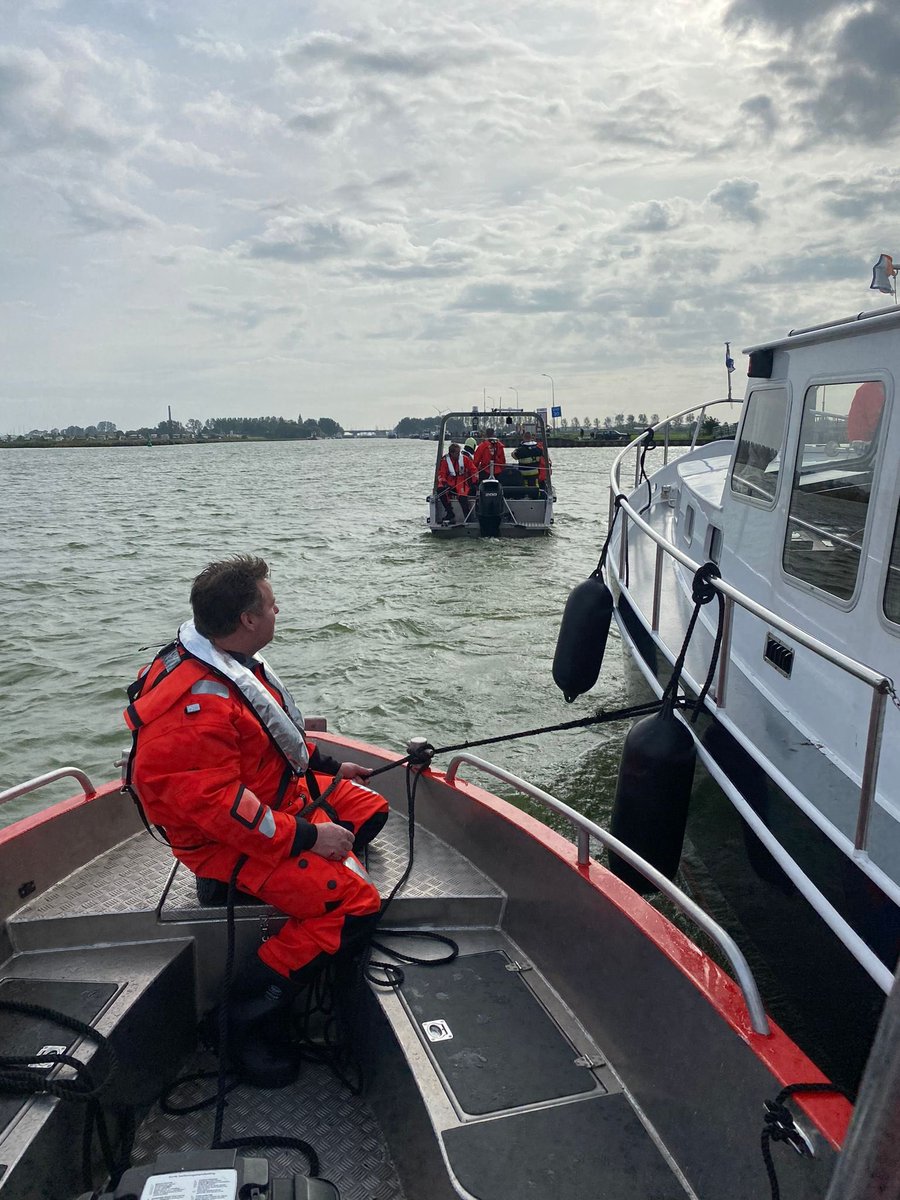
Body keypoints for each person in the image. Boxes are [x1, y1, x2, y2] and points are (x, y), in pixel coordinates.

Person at [124, 555, 388, 1085]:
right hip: (221, 838)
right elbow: (221, 812)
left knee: (371, 809)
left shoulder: (226, 661)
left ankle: (290, 887)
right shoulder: (194, 709)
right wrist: (312, 838)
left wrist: (332, 766)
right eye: (270, 603)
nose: (277, 609)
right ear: (247, 620)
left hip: (270, 798)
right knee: (354, 904)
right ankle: (240, 1018)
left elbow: (270, 738)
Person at [436, 442, 478, 524]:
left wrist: (474, 481)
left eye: (459, 452)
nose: (459, 454)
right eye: (457, 453)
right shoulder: (445, 461)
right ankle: (449, 513)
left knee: (463, 497)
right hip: (449, 483)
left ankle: (468, 517)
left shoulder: (465, 459)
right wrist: (444, 483)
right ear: (451, 453)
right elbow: (442, 473)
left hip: (461, 482)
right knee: (440, 490)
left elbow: (474, 470)